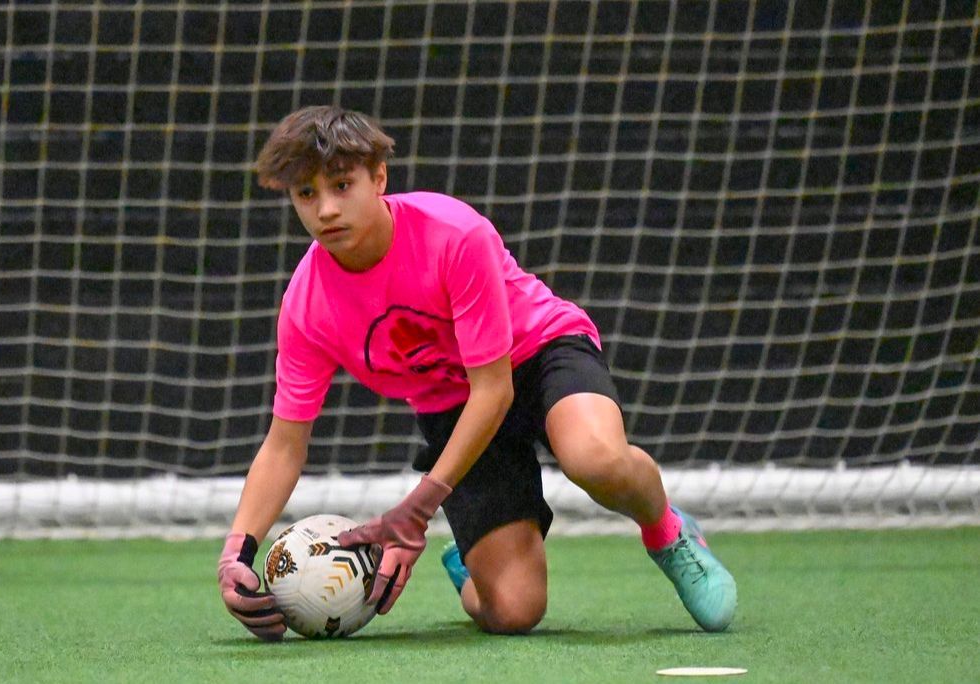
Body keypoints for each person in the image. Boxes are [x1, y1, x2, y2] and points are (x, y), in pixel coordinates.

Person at [216, 105, 737, 640]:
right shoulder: (306, 307)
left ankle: (668, 534)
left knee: (595, 458)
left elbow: (494, 389)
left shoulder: (453, 233)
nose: (326, 209)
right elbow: (284, 445)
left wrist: (418, 508)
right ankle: (474, 564)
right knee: (513, 612)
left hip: (537, 351)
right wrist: (237, 553)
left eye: (342, 185)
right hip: (451, 404)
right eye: (306, 194)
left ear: (379, 178)